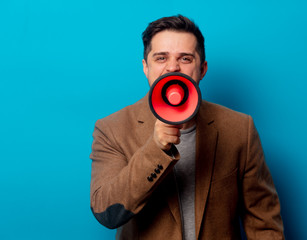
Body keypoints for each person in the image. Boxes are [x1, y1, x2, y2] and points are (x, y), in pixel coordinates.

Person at [90, 15, 284, 240]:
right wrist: (155, 149)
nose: (172, 68)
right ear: (146, 67)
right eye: (161, 58)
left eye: (185, 58)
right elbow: (107, 213)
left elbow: (264, 221)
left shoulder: (240, 128)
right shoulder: (112, 129)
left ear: (202, 69)